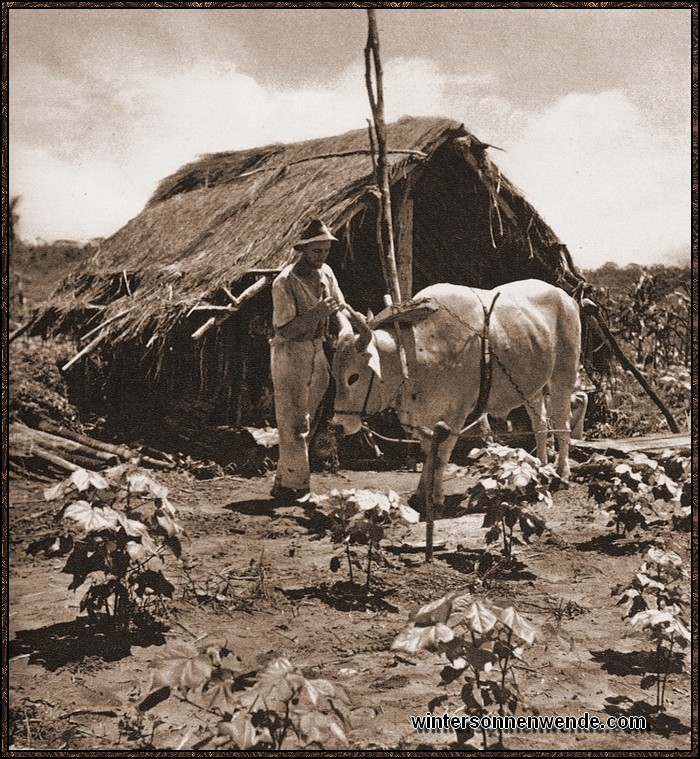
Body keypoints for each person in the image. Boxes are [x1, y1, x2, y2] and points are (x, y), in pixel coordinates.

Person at [269, 219, 352, 502]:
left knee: (310, 418)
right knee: (293, 420)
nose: (322, 256)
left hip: (316, 349)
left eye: (326, 251)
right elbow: (285, 329)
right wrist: (317, 314)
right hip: (291, 352)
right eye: (316, 251)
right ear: (303, 250)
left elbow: (338, 308)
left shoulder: (326, 273)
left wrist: (348, 330)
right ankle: (295, 487)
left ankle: (285, 477)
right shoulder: (284, 282)